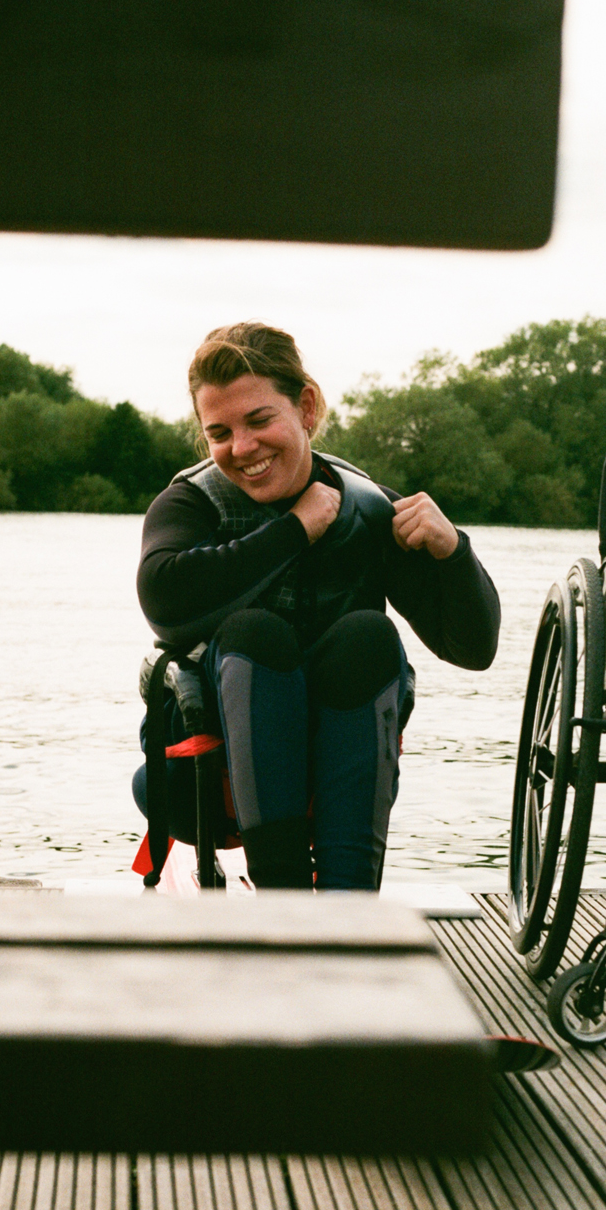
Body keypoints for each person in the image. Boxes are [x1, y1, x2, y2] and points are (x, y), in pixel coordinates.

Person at [133, 321, 500, 891]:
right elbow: (164, 605)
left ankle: (348, 902)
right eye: (220, 433)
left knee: (367, 636)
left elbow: (473, 649)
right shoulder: (189, 503)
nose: (243, 448)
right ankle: (281, 898)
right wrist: (296, 529)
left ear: (306, 408)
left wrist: (454, 552)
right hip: (209, 780)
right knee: (256, 633)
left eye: (259, 421)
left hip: (338, 768)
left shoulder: (368, 508)